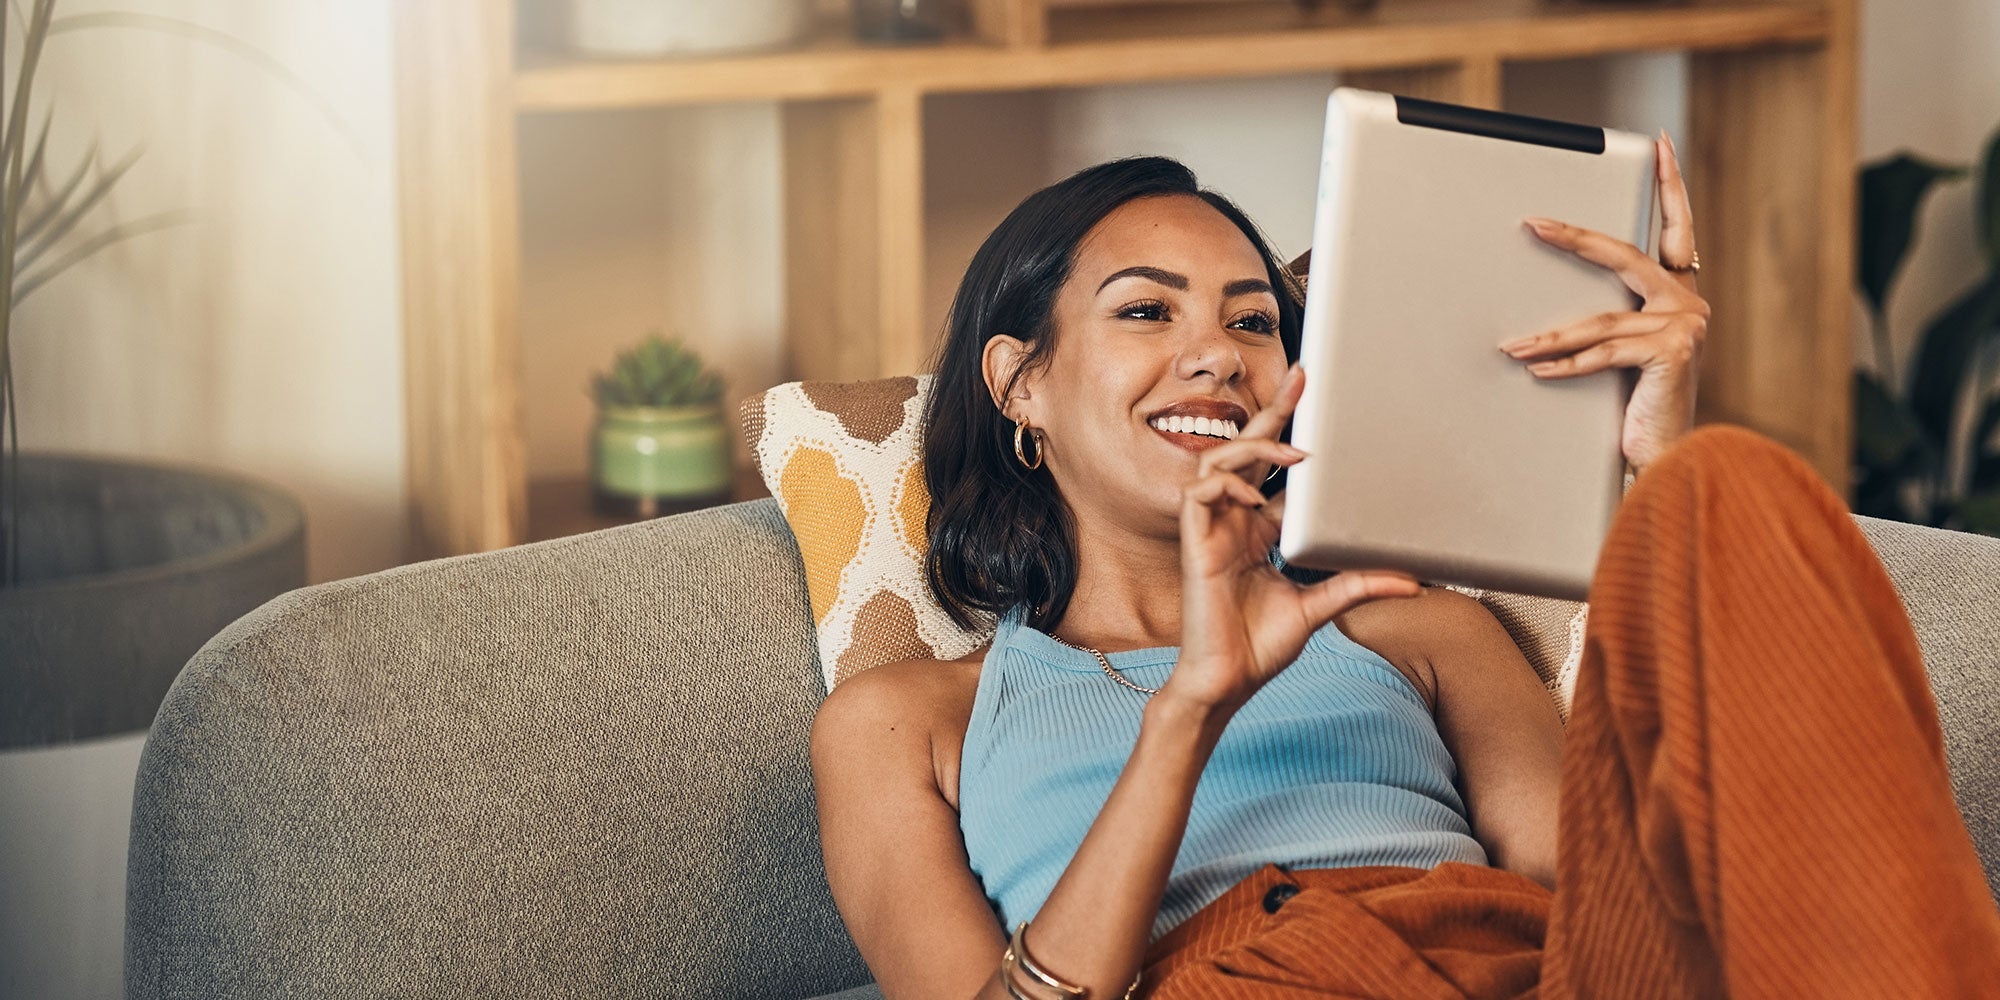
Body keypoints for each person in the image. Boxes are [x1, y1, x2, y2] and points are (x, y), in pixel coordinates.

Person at [809, 151, 2000, 1000]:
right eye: (1144, 311)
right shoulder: (907, 722)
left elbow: (1607, 893)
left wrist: (1651, 471)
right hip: (1231, 976)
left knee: (1733, 483)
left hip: (1503, 957)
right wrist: (1193, 703)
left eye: (1251, 322)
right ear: (1018, 382)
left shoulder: (1414, 628)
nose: (1215, 354)